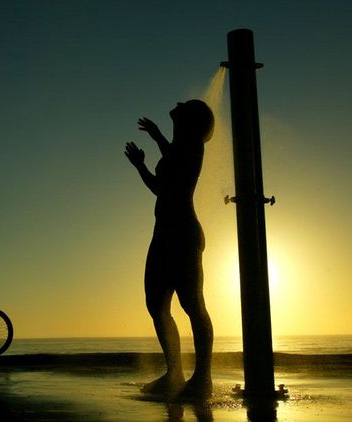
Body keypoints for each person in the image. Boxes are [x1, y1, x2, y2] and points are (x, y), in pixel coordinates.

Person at [124, 99, 215, 399]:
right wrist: (153, 144)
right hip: (163, 234)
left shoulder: (193, 147)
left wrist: (144, 158)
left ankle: (202, 378)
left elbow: (165, 183)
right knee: (156, 304)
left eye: (184, 105)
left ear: (190, 120)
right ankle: (174, 371)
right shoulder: (178, 149)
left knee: (192, 305)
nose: (177, 102)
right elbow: (165, 174)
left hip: (182, 235)